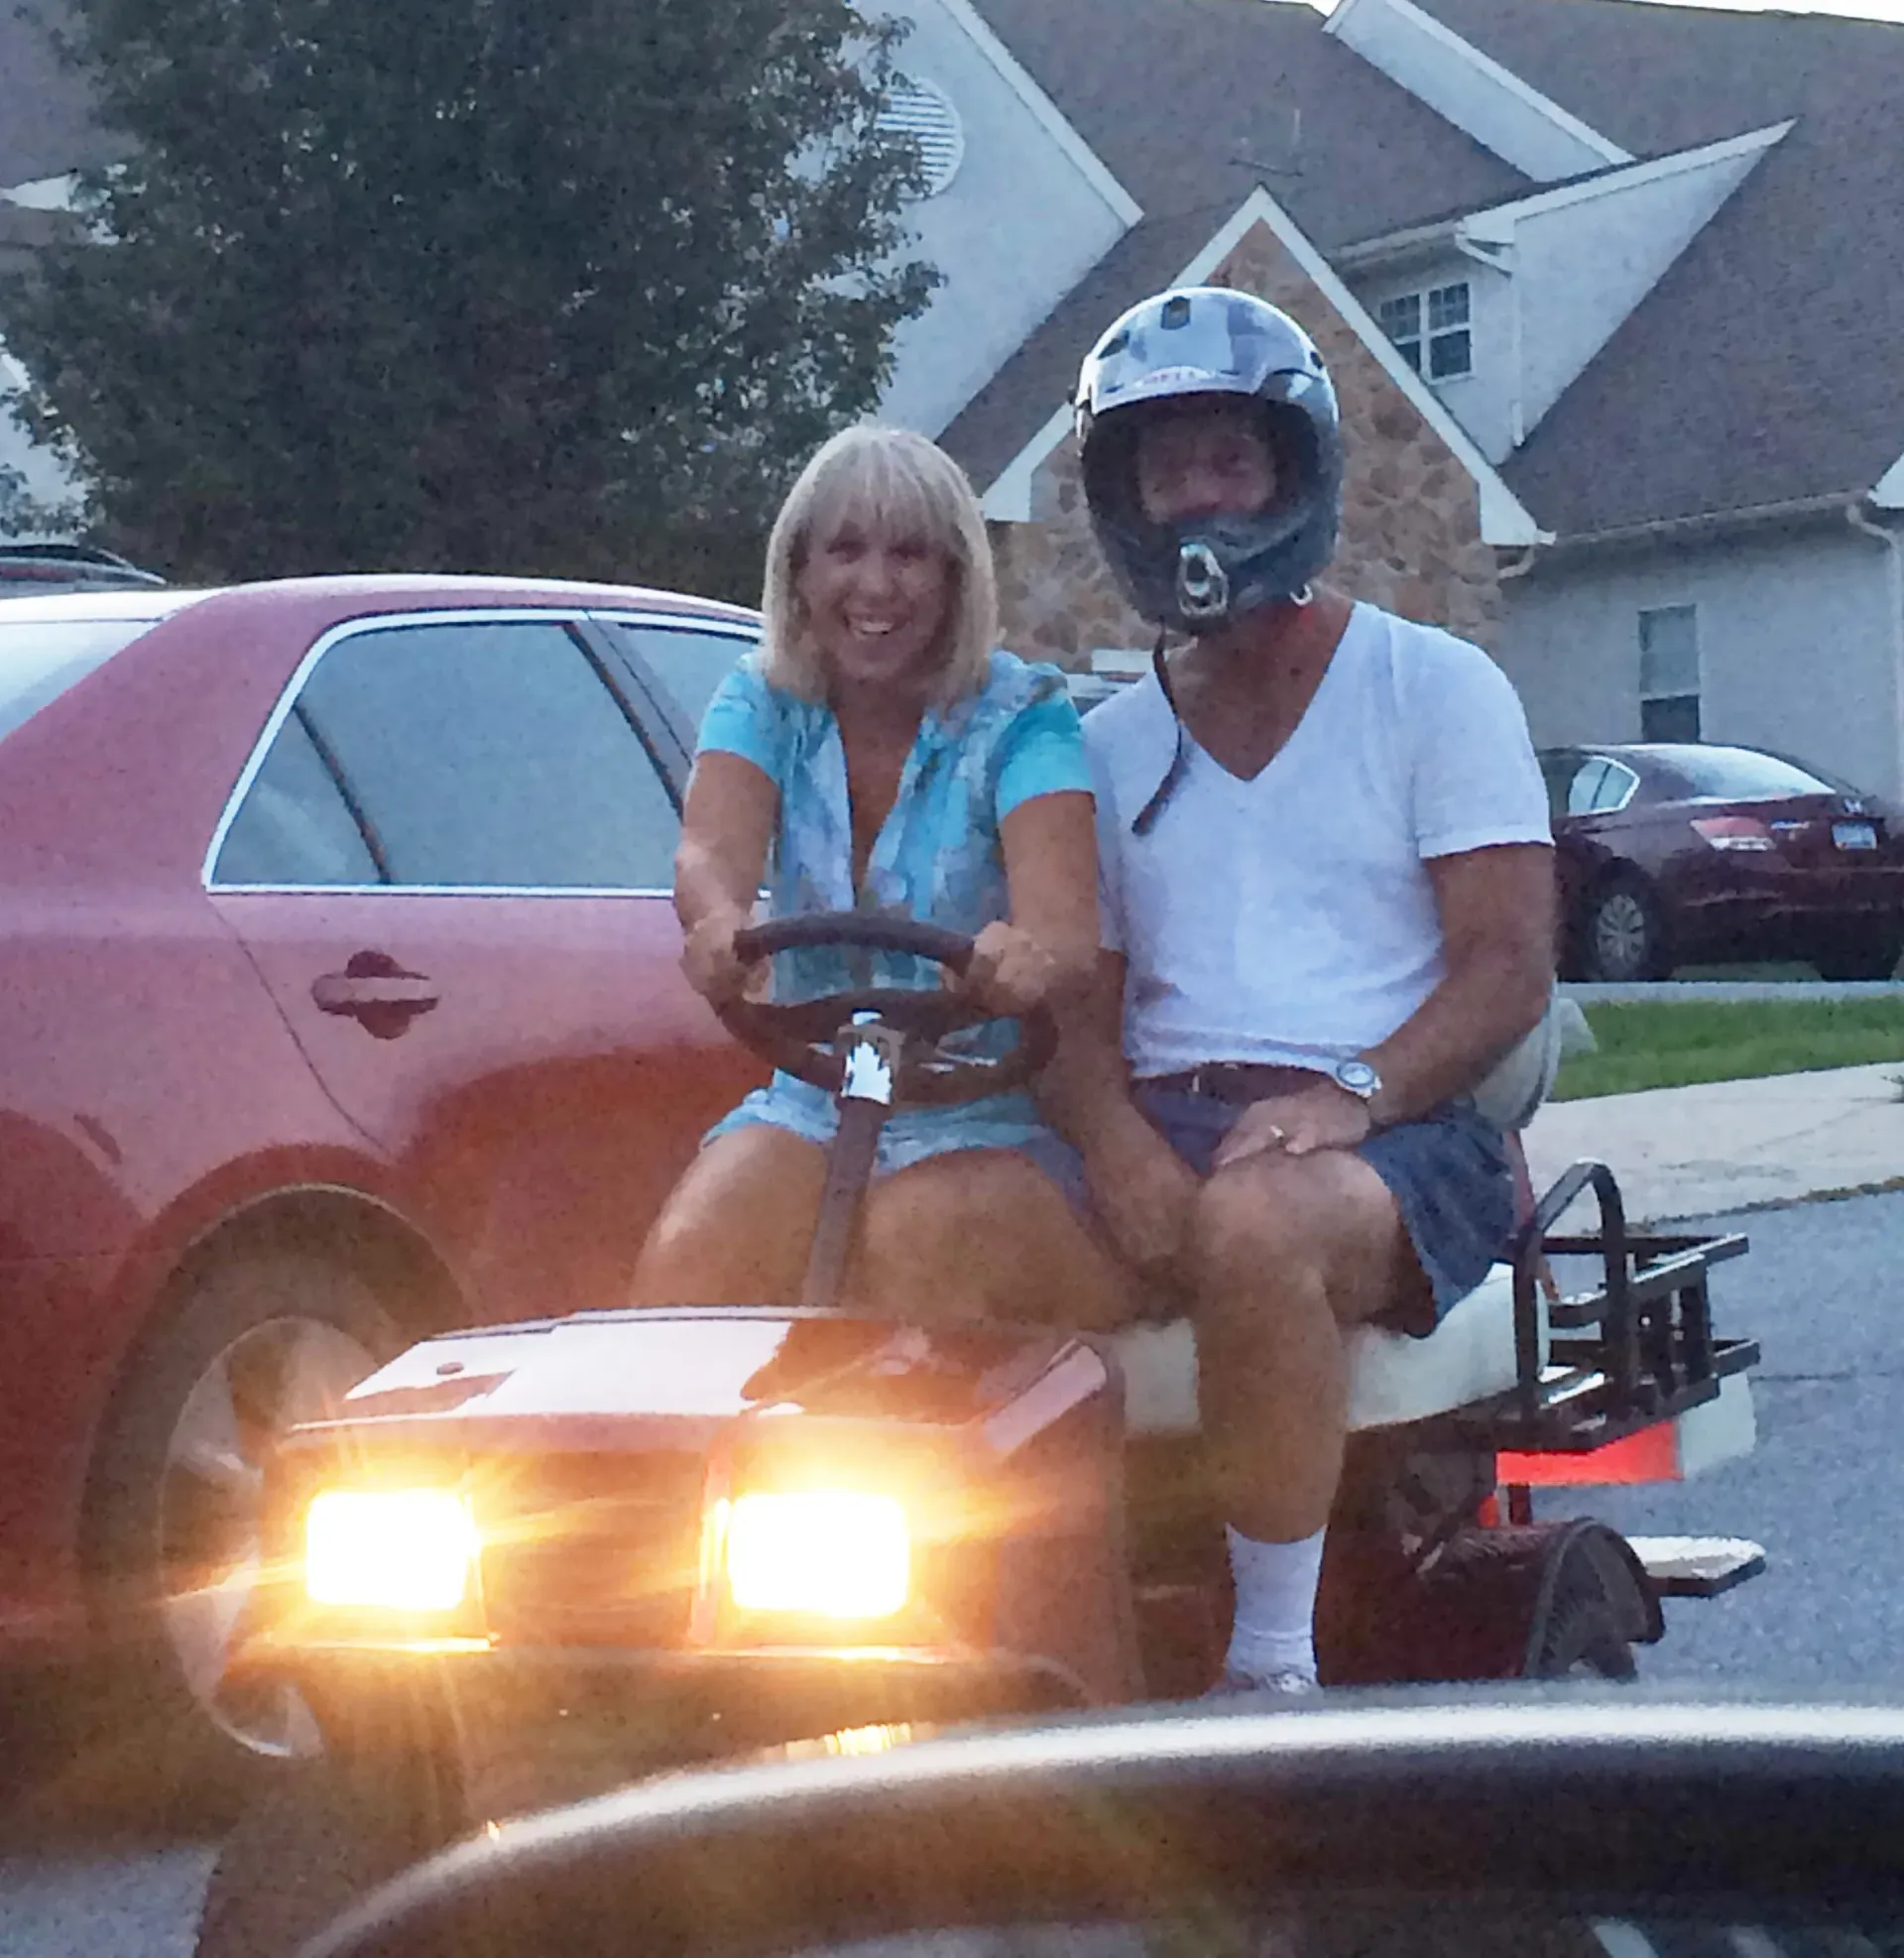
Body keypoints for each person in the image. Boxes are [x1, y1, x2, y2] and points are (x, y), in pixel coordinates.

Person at [1044, 286, 1556, 1692]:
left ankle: (1269, 1670)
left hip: (1404, 1131)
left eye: (1230, 459)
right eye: (1167, 469)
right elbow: (1077, 1005)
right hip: (1172, 1118)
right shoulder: (1103, 742)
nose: (1200, 497)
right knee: (929, 1226)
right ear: (1125, 497)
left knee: (1257, 1222)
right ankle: (1004, 1639)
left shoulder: (1434, 687)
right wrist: (1113, 1143)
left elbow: (1508, 965)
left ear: (1293, 471)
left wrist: (1354, 1095)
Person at [631, 425, 1133, 1330]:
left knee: (917, 1237)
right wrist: (718, 921)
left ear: (955, 579)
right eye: (845, 550)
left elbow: (1064, 931)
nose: (874, 585)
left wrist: (1023, 959)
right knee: (697, 1245)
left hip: (987, 1110)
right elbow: (709, 855)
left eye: (908, 554)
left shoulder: (1027, 716)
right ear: (800, 572)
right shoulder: (761, 699)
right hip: (815, 1096)